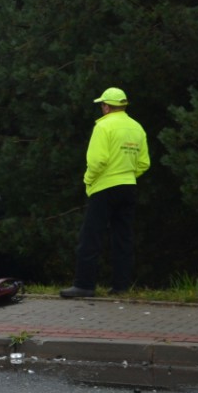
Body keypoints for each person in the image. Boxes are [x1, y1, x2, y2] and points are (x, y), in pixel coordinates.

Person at [60, 87, 150, 298]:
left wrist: (88, 179)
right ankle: (121, 286)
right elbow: (144, 163)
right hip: (129, 186)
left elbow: (97, 160)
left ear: (107, 107)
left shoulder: (103, 126)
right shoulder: (137, 127)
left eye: (102, 104)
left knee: (91, 236)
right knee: (123, 237)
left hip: (104, 188)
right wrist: (127, 175)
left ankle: (84, 285)